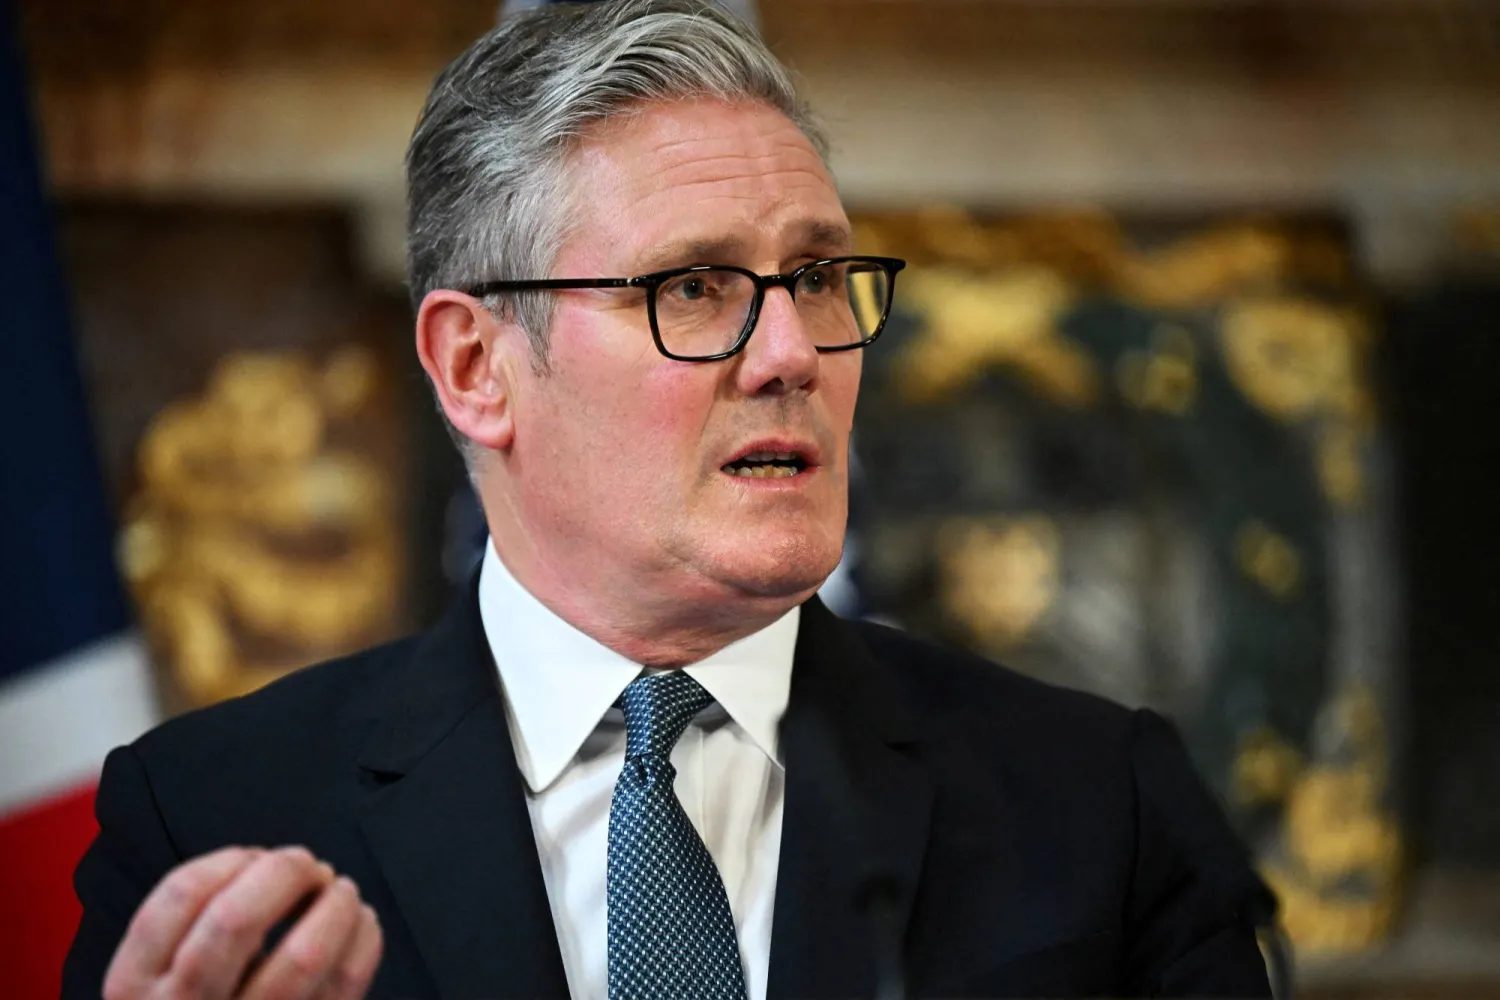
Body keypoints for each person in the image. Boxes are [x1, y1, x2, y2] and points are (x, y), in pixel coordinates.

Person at [63, 1, 1275, 997]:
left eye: (815, 276)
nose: (791, 349)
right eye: (693, 286)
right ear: (477, 367)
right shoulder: (218, 823)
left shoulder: (1095, 805)